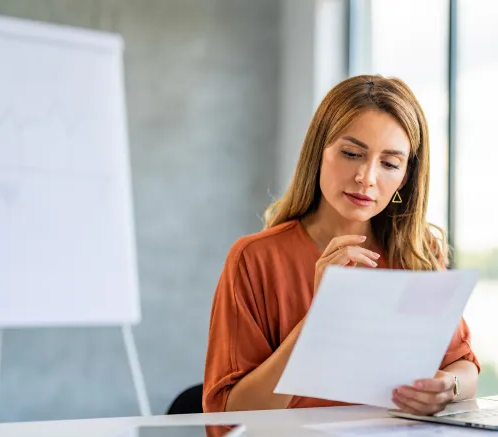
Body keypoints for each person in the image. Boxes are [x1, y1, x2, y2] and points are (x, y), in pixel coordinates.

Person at [202, 75, 480, 419]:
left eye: (390, 163)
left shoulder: (417, 251)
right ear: (318, 151)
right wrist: (321, 317)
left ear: (405, 177)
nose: (367, 177)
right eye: (351, 153)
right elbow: (232, 413)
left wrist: (447, 387)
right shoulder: (255, 259)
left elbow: (463, 366)